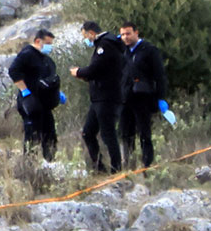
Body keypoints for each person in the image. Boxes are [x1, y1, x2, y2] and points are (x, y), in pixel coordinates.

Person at [70, 20, 124, 173]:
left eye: (86, 37)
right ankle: (99, 167)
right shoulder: (104, 45)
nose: (86, 40)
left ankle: (116, 169)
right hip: (98, 97)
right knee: (88, 132)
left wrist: (79, 72)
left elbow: (96, 68)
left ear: (91, 33)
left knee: (108, 134)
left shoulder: (105, 45)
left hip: (106, 97)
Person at [118, 21, 170, 169]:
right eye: (122, 34)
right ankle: (128, 165)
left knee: (144, 133)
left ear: (136, 32)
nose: (125, 37)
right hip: (125, 98)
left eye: (128, 33)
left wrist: (160, 97)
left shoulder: (148, 50)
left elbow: (159, 75)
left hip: (143, 98)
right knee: (126, 133)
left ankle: (147, 165)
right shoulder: (124, 51)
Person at [8, 29, 62, 161]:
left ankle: (50, 164)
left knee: (50, 136)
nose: (50, 47)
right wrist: (25, 91)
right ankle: (29, 166)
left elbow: (50, 77)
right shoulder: (27, 54)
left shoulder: (45, 59)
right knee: (32, 136)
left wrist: (57, 93)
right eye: (48, 43)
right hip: (31, 102)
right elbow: (13, 71)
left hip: (44, 103)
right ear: (38, 41)